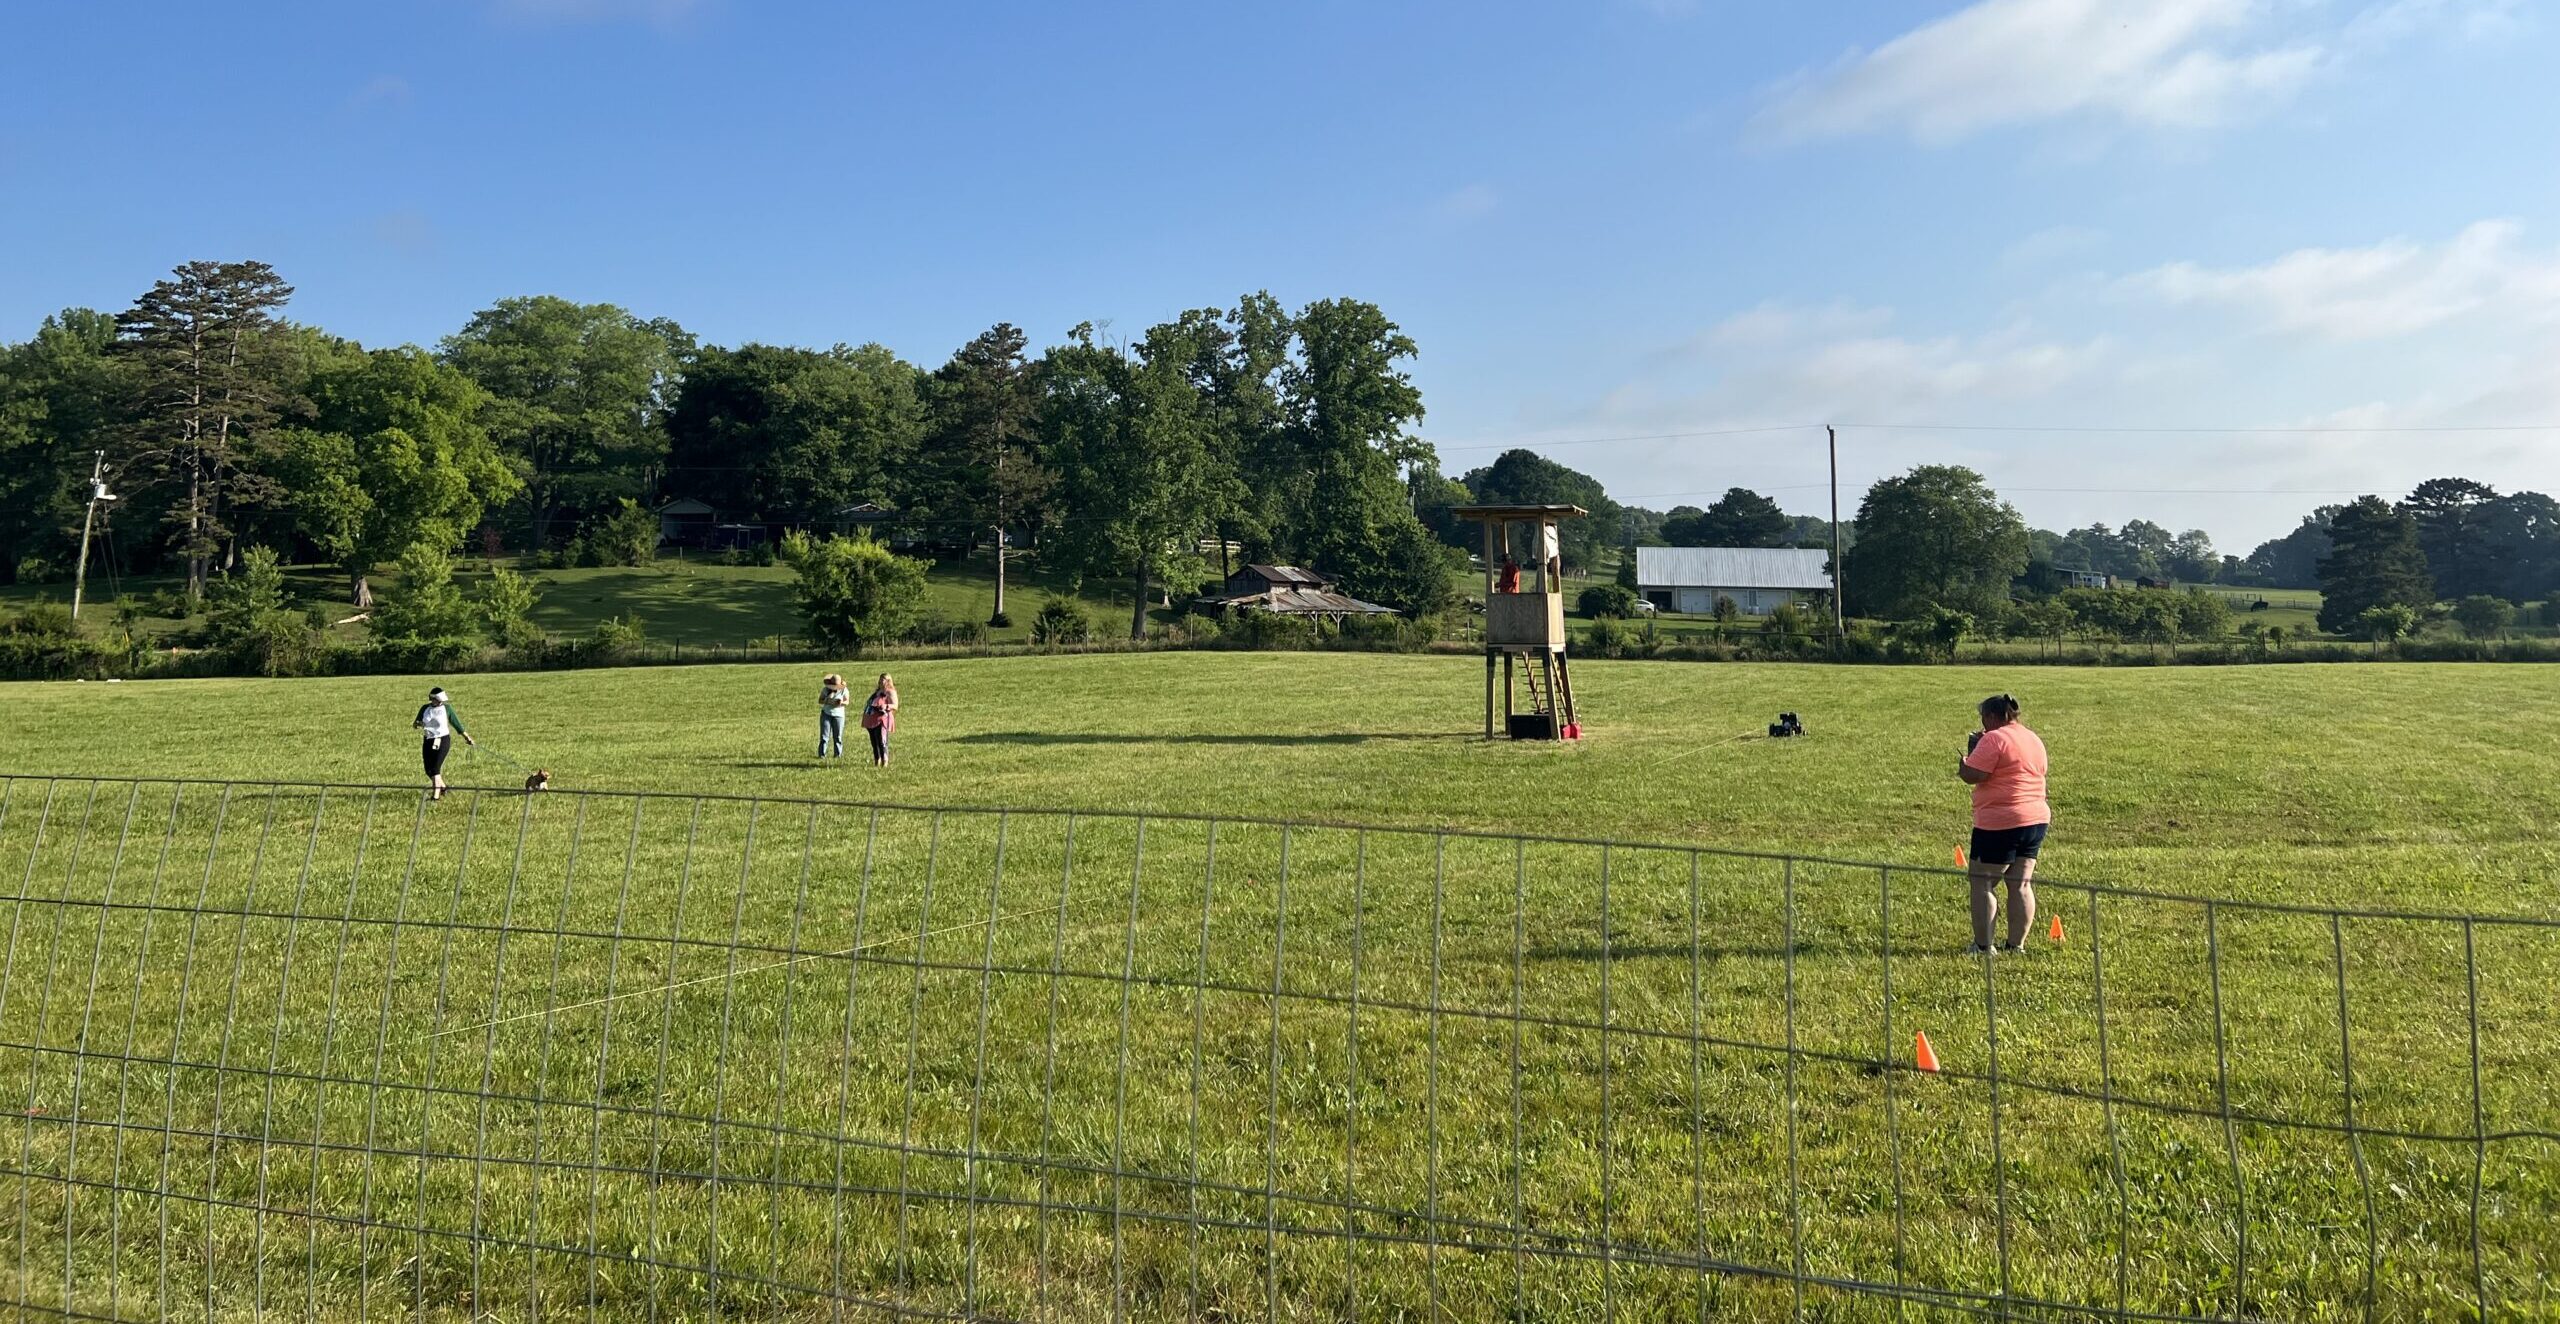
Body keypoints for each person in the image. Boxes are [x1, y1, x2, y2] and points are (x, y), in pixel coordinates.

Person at [1958, 693, 2049, 954]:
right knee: (2020, 882)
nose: (1982, 724)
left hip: (2001, 821)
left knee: (1982, 882)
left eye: (1983, 718)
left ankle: (1984, 946)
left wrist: (1969, 755)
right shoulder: (2032, 737)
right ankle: (2016, 945)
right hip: (2036, 818)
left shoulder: (1993, 738)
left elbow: (1973, 775)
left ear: (1991, 716)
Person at [413, 686, 474, 801]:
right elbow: (416, 723)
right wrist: (418, 724)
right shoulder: (425, 708)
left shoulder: (447, 709)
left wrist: (467, 737)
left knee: (436, 768)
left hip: (442, 740)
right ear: (432, 699)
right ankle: (443, 788)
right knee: (428, 770)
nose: (440, 702)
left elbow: (457, 724)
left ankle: (435, 796)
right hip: (428, 740)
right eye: (437, 700)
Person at [862, 672, 900, 767]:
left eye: (883, 679)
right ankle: (877, 760)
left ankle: (885, 761)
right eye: (880, 679)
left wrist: (885, 706)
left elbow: (895, 705)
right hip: (871, 719)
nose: (880, 681)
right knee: (874, 741)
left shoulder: (890, 692)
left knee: (881, 740)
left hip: (882, 719)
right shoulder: (877, 692)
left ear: (888, 681)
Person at [817, 673, 851, 759]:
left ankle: (837, 755)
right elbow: (820, 700)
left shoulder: (844, 690)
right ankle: (822, 754)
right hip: (826, 713)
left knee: (838, 737)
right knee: (824, 736)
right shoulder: (825, 690)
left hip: (839, 715)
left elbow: (847, 702)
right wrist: (826, 701)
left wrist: (841, 703)